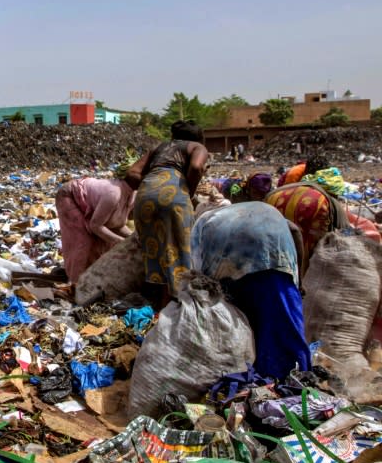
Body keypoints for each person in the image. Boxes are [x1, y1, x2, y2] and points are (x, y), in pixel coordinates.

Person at [191, 202, 311, 380]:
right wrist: (298, 280)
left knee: (245, 325)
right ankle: (298, 378)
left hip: (233, 270)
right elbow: (294, 230)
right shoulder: (255, 208)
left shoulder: (202, 222)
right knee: (286, 326)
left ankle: (259, 375)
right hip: (278, 260)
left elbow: (198, 270)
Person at [125, 120, 209, 307]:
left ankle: (158, 303)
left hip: (145, 197)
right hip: (173, 196)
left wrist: (152, 186)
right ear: (198, 137)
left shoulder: (159, 148)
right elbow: (196, 167)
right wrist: (189, 190)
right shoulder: (197, 147)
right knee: (180, 249)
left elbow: (131, 173)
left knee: (155, 250)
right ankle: (179, 304)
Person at [54, 177, 136, 284]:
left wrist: (133, 238)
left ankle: (93, 279)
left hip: (92, 210)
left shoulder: (131, 199)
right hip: (70, 197)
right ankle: (75, 284)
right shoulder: (113, 195)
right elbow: (95, 226)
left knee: (105, 244)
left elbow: (116, 225)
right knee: (84, 243)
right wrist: (121, 242)